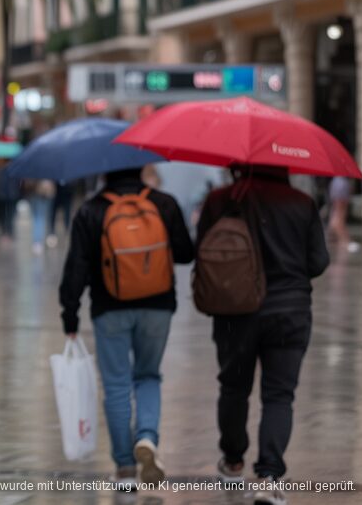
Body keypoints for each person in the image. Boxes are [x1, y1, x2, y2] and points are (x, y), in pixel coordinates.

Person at [197, 165, 329, 501]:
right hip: (289, 312)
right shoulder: (301, 202)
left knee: (233, 388)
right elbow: (318, 262)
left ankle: (233, 461)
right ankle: (269, 478)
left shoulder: (220, 199)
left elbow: (203, 250)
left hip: (234, 311)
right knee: (279, 396)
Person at [59, 167, 194, 490]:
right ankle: (146, 436)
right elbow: (187, 253)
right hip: (158, 306)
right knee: (148, 375)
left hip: (110, 309)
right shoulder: (164, 203)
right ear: (141, 169)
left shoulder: (91, 210)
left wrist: (70, 314)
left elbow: (76, 268)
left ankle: (124, 469)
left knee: (117, 385)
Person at [326, 176, 359, 253]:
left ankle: (341, 241)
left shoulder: (338, 181)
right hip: (340, 194)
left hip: (339, 194)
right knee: (338, 218)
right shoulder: (340, 181)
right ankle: (345, 241)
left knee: (336, 217)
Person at [30, 179, 56, 255]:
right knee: (39, 217)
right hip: (42, 191)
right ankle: (37, 241)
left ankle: (39, 240)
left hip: (42, 192)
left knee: (39, 217)